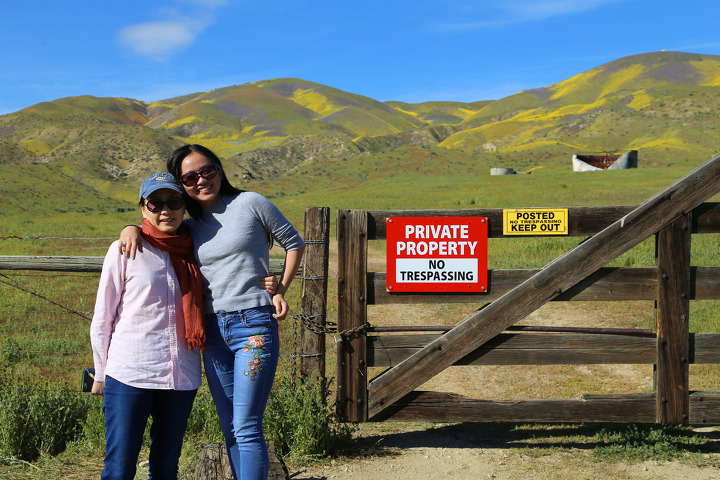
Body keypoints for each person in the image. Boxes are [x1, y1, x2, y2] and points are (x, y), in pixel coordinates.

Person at [119, 145, 305, 480]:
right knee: (230, 427)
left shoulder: (250, 203)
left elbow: (294, 242)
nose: (202, 180)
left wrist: (281, 289)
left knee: (246, 425)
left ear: (219, 170)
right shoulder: (189, 225)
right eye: (190, 177)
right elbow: (157, 229)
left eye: (208, 171)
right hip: (213, 331)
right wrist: (130, 228)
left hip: (253, 326)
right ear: (181, 185)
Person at [93, 172, 277, 480]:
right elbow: (103, 317)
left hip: (180, 376)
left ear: (184, 206)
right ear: (143, 208)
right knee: (119, 467)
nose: (165, 210)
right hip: (130, 373)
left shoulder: (197, 246)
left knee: (166, 467)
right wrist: (101, 372)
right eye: (155, 203)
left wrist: (270, 283)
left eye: (174, 201)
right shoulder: (124, 249)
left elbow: (234, 266)